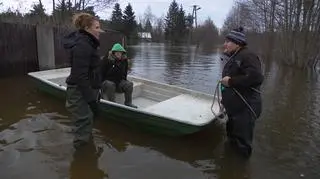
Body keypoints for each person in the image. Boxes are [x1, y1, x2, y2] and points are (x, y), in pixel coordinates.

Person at [220, 27, 264, 158]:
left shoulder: (248, 56)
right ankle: (229, 168)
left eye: (228, 41)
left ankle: (240, 170)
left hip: (246, 107)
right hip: (235, 107)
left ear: (237, 43)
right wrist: (224, 100)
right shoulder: (234, 56)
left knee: (242, 146)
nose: (224, 44)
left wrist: (232, 81)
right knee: (231, 140)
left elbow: (256, 77)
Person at [63, 13, 104, 149]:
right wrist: (92, 102)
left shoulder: (89, 43)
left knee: (87, 124)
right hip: (80, 92)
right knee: (83, 123)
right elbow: (80, 75)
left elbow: (91, 69)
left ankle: (88, 152)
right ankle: (81, 164)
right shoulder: (83, 44)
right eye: (97, 27)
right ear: (87, 28)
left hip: (88, 90)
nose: (100, 31)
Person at [100, 43, 138, 108]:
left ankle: (128, 103)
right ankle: (113, 104)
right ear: (113, 53)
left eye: (120, 53)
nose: (118, 54)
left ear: (122, 53)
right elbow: (101, 73)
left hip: (118, 82)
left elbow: (124, 74)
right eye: (116, 52)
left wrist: (124, 82)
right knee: (111, 84)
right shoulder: (106, 59)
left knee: (129, 84)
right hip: (106, 82)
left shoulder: (124, 61)